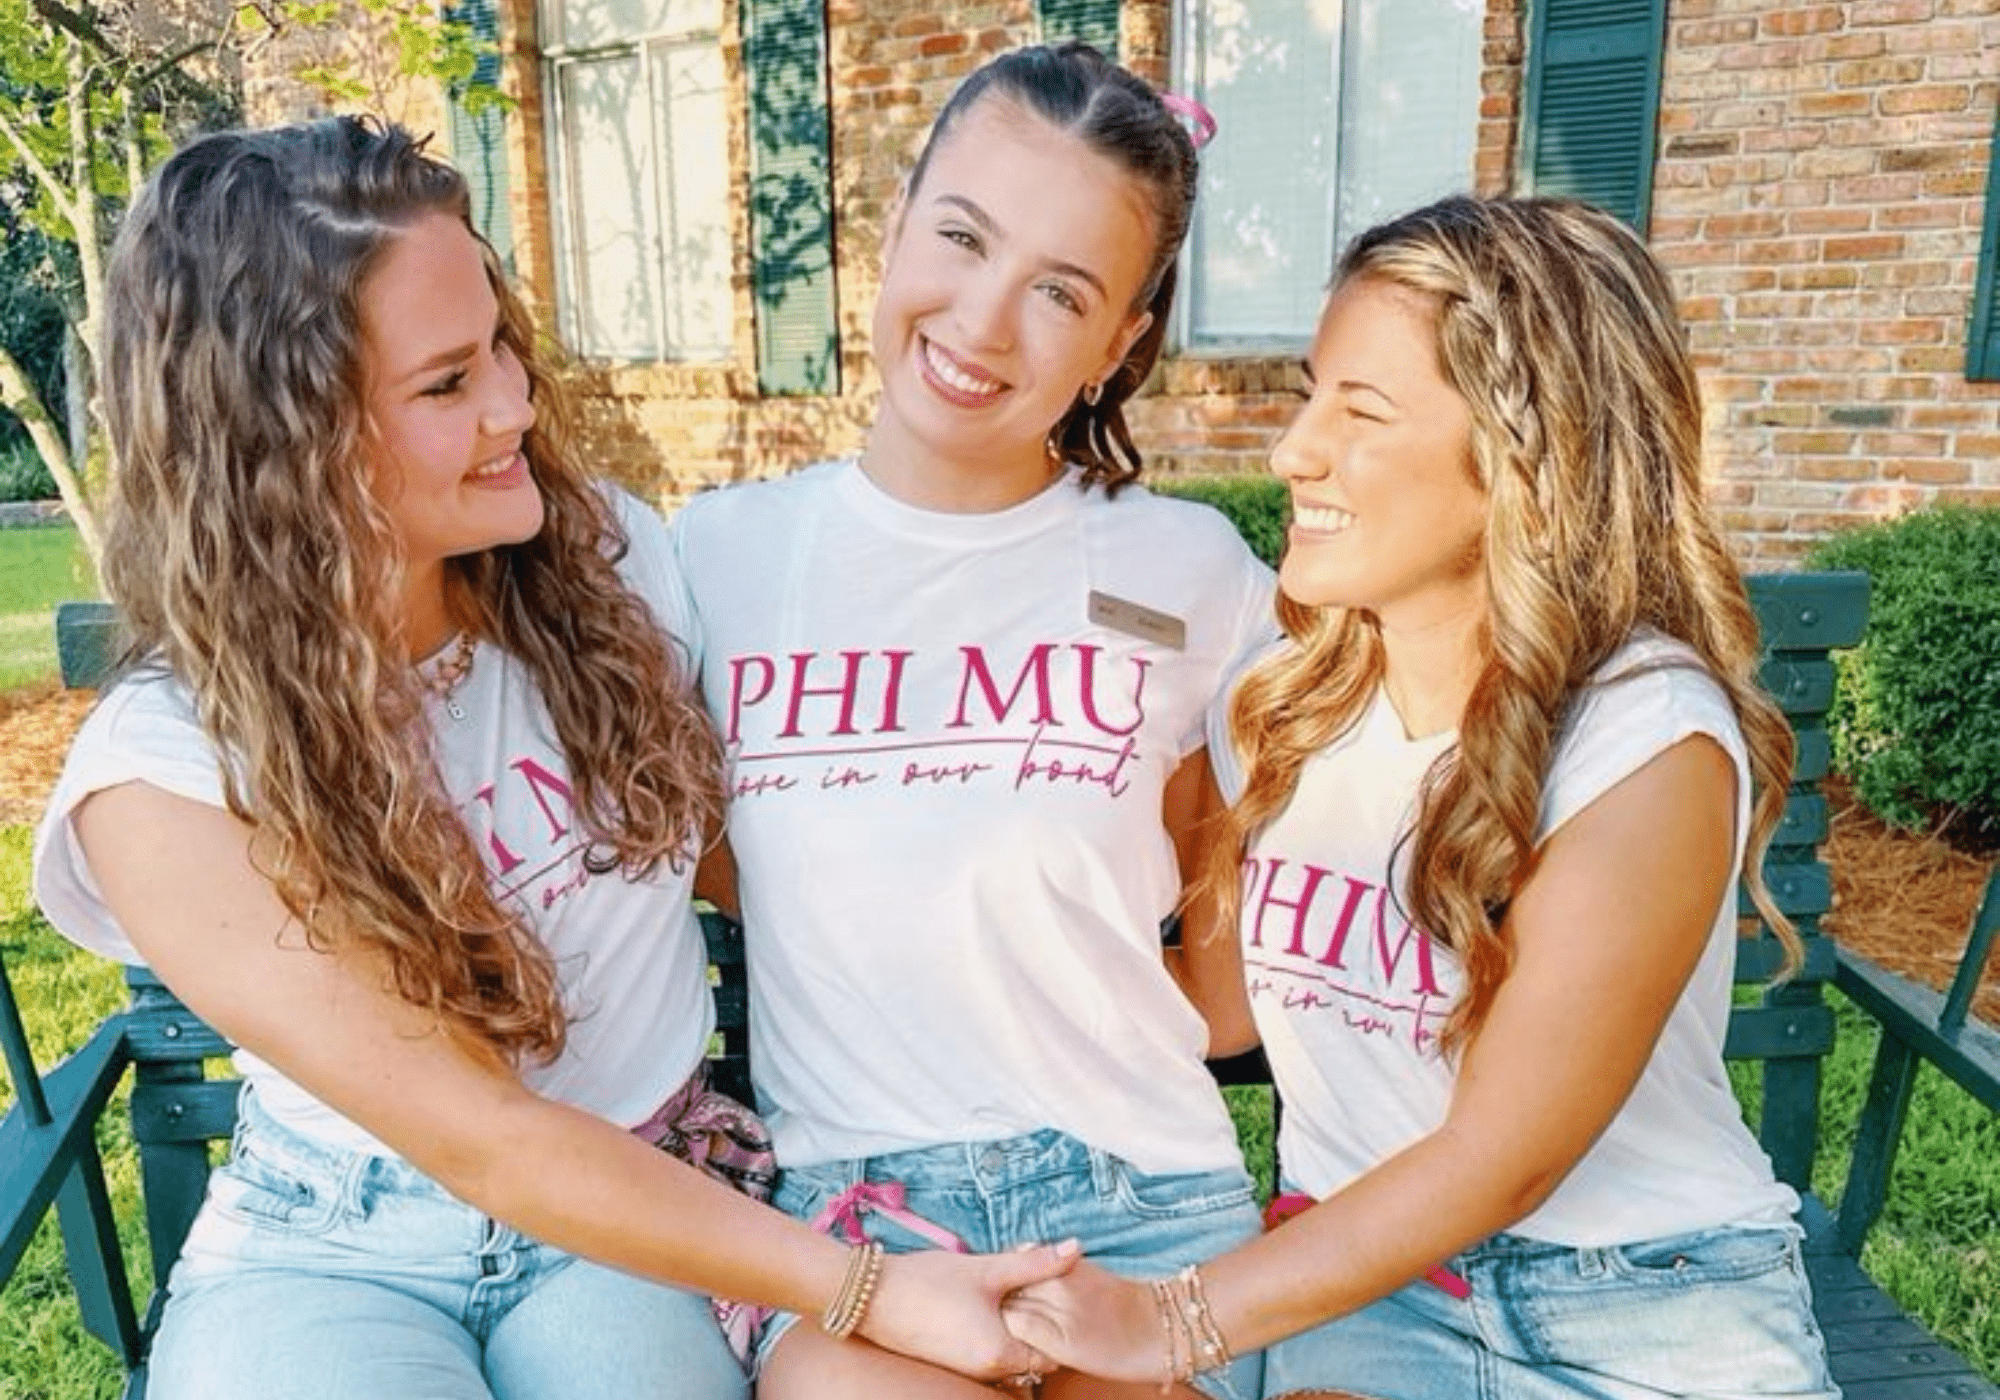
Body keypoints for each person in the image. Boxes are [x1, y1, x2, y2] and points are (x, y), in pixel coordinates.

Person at [31, 116, 1071, 1400]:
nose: (515, 403)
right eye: (445, 384)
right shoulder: (168, 770)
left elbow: (772, 848)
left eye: (501, 346)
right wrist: (870, 1286)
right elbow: (487, 1137)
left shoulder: (605, 573)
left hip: (646, 1212)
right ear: (281, 442)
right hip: (338, 1244)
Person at [1000, 195, 1843, 1400]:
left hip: (1645, 1296)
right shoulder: (1277, 708)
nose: (1293, 451)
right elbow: (1216, 1013)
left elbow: (1501, 1156)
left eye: (1361, 412)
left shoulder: (1642, 733)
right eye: (1311, 396)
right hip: (1374, 1297)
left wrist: (1171, 1318)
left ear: (1525, 456)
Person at [670, 42, 1273, 1400]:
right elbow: (689, 851)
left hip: (1146, 1205)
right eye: (961, 237)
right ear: (895, 226)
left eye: (1060, 291)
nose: (984, 324)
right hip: (856, 1227)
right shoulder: (719, 559)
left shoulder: (1193, 575)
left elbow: (1239, 936)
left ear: (1122, 342)